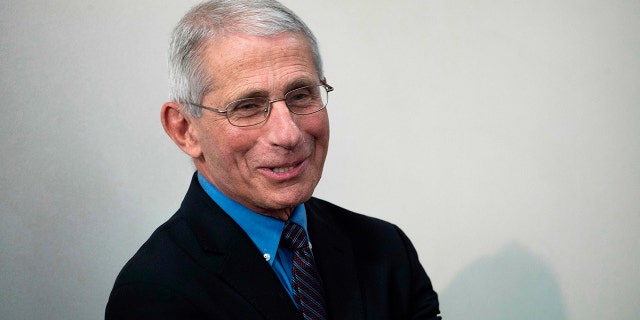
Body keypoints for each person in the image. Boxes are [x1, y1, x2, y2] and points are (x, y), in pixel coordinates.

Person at [105, 0, 441, 319]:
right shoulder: (154, 293)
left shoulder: (385, 250)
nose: (289, 134)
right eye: (248, 106)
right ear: (185, 130)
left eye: (300, 95)